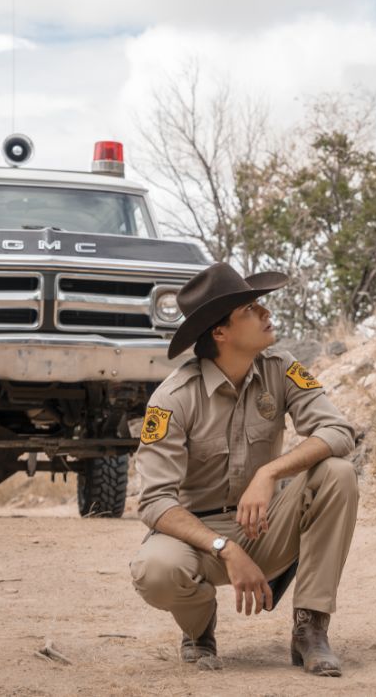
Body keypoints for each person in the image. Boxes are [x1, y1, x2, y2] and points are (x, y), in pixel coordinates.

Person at [129, 262, 358, 675]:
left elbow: (339, 431)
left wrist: (267, 473)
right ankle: (199, 628)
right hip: (199, 542)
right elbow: (154, 503)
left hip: (265, 526)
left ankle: (311, 629)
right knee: (156, 570)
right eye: (252, 309)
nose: (266, 314)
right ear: (220, 332)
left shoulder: (281, 368)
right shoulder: (172, 399)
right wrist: (224, 548)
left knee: (338, 473)